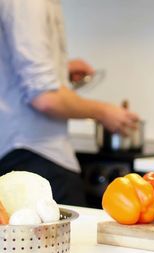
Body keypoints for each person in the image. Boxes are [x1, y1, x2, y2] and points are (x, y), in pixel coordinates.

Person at [0, 1, 139, 205]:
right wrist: (103, 112)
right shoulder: (29, 3)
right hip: (35, 157)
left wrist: (59, 71)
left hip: (25, 154)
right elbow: (45, 98)